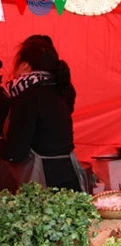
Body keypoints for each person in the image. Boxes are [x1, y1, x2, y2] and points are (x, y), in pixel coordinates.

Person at [0, 34, 86, 193]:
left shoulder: (28, 97)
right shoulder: (61, 90)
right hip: (69, 175)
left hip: (44, 182)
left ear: (25, 65)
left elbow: (16, 152)